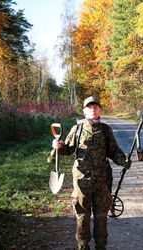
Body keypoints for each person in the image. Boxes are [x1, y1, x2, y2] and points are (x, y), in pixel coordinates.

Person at [48, 96, 131, 250]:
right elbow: (68, 149)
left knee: (101, 218)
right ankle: (83, 246)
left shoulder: (106, 130)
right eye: (89, 107)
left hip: (102, 182)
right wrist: (58, 147)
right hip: (81, 183)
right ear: (84, 111)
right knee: (82, 218)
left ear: (100, 109)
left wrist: (123, 161)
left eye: (96, 107)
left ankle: (101, 247)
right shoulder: (77, 129)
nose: (93, 109)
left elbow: (113, 151)